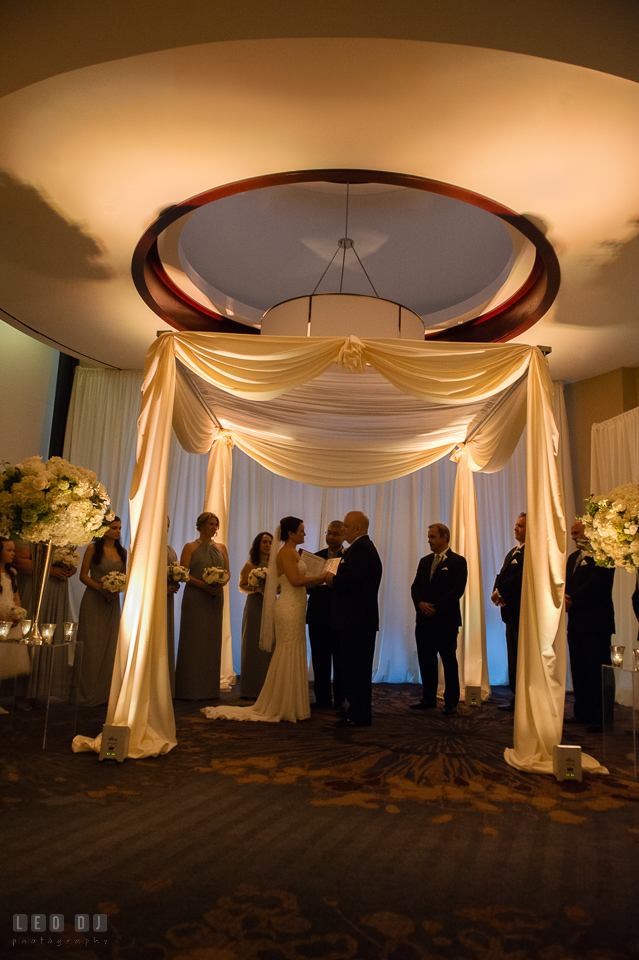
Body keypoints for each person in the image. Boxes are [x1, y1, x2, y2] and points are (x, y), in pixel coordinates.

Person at [201, 516, 325, 723]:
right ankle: (283, 703)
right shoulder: (286, 552)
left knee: (293, 648)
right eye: (301, 531)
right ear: (291, 533)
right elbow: (295, 581)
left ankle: (291, 701)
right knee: (287, 649)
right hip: (288, 606)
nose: (305, 534)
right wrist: (322, 577)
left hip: (295, 606)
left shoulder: (293, 552)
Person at [325, 511, 382, 727]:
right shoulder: (363, 548)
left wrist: (332, 579)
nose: (343, 530)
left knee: (356, 668)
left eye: (346, 527)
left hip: (357, 620)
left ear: (357, 529)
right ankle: (356, 708)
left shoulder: (361, 549)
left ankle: (360, 714)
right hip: (358, 620)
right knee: (353, 667)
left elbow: (352, 580)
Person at [410, 523, 467, 716]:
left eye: (433, 537)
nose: (429, 540)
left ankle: (451, 702)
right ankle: (428, 698)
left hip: (445, 621)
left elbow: (456, 591)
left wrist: (434, 607)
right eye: (429, 537)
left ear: (444, 538)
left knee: (449, 661)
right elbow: (415, 587)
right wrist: (420, 604)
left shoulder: (458, 561)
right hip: (424, 620)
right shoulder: (424, 561)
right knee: (426, 660)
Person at [565, 519, 615, 732]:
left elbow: (597, 584)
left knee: (597, 671)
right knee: (579, 669)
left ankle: (601, 717)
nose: (574, 538)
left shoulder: (604, 555)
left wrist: (572, 599)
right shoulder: (573, 558)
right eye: (572, 534)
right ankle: (583, 711)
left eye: (577, 533)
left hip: (596, 623)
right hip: (575, 623)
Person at [73, 517, 127, 706]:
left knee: (109, 646)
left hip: (112, 602)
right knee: (90, 645)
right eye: (114, 528)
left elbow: (125, 576)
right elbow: (83, 576)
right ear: (104, 529)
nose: (118, 531)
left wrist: (116, 589)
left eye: (119, 528)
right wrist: (100, 588)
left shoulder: (123, 552)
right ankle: (85, 694)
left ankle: (105, 694)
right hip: (93, 600)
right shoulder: (92, 549)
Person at [14, 540, 77, 702]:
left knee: (51, 636)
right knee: (30, 633)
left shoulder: (66, 534)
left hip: (57, 588)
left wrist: (71, 568)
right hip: (35, 585)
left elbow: (73, 561)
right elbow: (19, 562)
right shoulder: (32, 533)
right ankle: (21, 691)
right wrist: (51, 570)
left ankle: (42, 689)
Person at [175, 512, 229, 701]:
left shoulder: (221, 548)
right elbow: (183, 574)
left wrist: (219, 584)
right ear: (201, 526)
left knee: (210, 642)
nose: (214, 528)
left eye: (216, 524)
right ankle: (189, 688)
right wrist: (203, 585)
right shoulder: (190, 547)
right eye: (211, 524)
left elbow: (227, 573)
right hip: (195, 599)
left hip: (214, 599)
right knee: (194, 640)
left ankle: (208, 689)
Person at [306, 520, 346, 709]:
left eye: (335, 534)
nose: (330, 537)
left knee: (340, 661)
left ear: (344, 535)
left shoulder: (349, 557)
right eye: (328, 533)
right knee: (320, 659)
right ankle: (321, 698)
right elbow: (306, 587)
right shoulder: (317, 557)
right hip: (318, 615)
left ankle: (339, 699)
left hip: (340, 616)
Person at [491, 512, 526, 710]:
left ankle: (523, 699)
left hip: (523, 613)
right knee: (513, 658)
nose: (516, 528)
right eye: (516, 525)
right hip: (510, 614)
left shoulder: (531, 552)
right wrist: (496, 591)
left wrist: (502, 591)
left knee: (522, 658)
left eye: (520, 526)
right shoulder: (513, 552)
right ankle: (516, 697)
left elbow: (521, 578)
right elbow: (502, 574)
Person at [238, 531, 273, 700]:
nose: (267, 545)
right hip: (254, 607)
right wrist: (256, 589)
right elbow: (241, 586)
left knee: (270, 646)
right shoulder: (250, 564)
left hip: (271, 607)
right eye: (265, 542)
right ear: (258, 544)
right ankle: (251, 689)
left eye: (270, 542)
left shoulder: (275, 565)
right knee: (252, 645)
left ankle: (268, 688)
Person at [0, 538, 31, 712]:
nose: (13, 553)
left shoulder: (11, 573)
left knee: (3, 660)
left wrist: (17, 612)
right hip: (1, 618)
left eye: (13, 549)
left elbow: (15, 596)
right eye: (9, 550)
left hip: (10, 620)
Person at [166, 516, 180, 698]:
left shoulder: (171, 551)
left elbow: (175, 572)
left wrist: (175, 583)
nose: (166, 527)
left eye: (168, 524)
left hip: (168, 596)